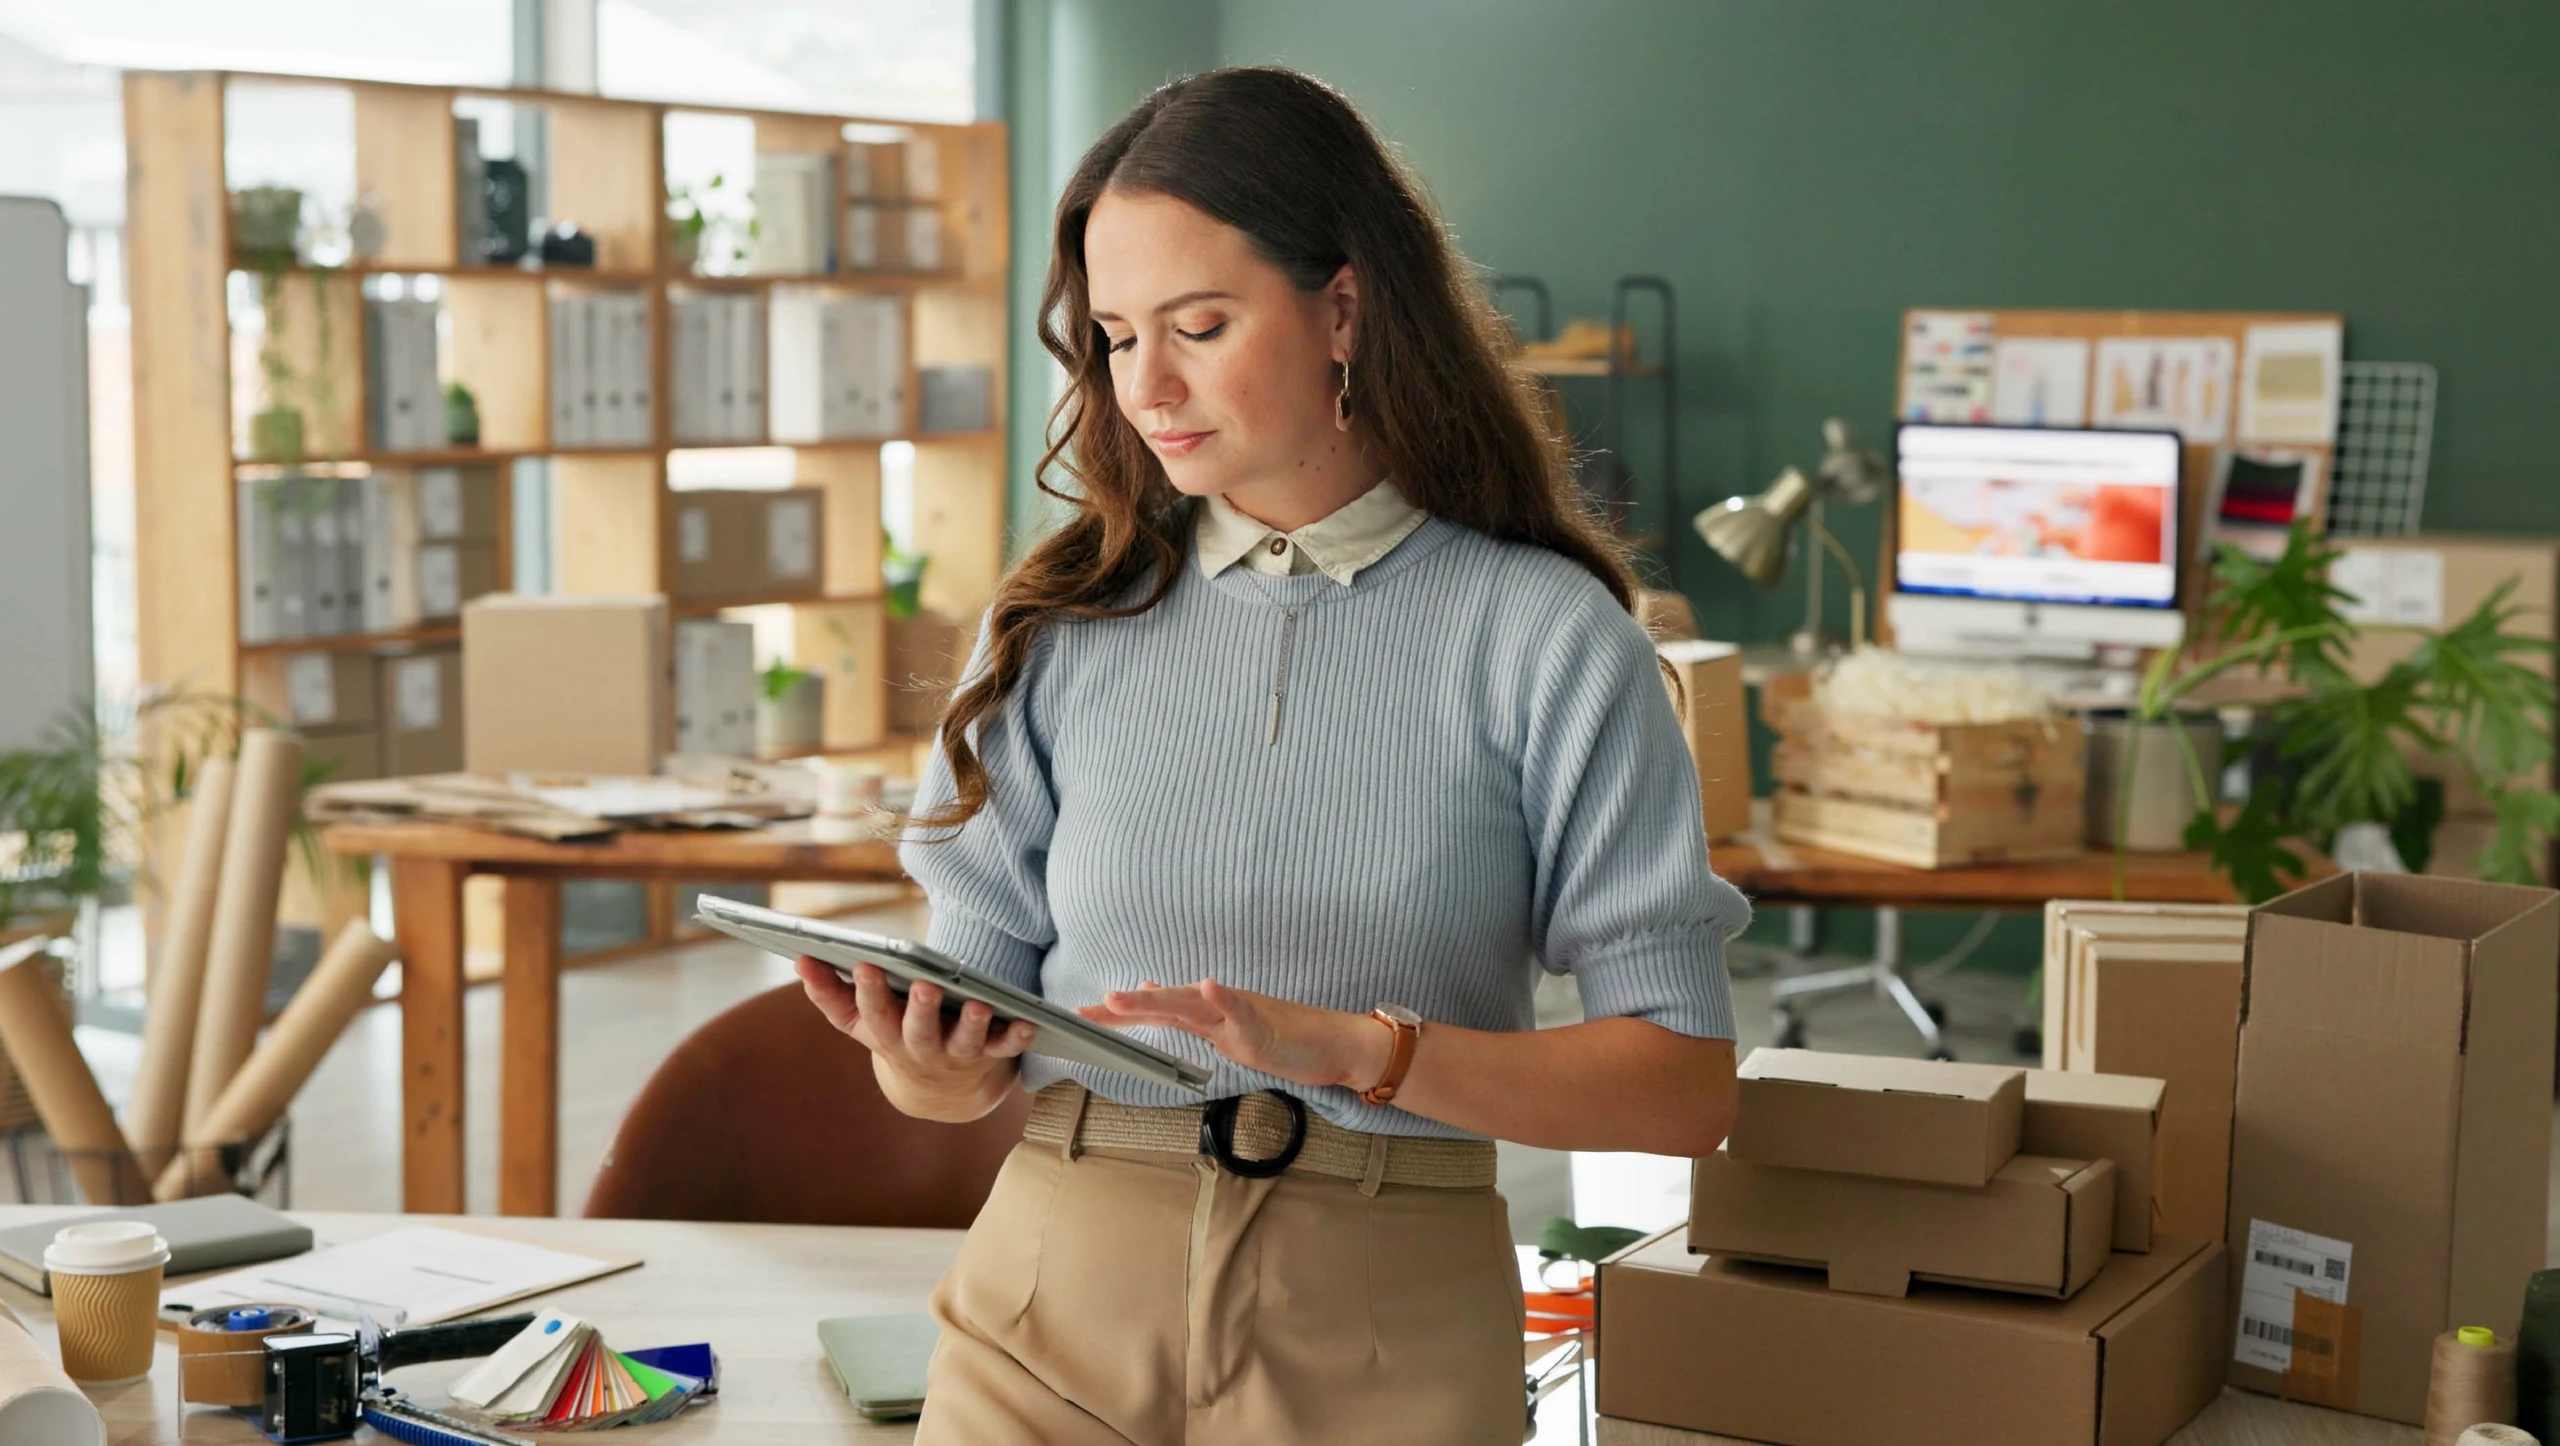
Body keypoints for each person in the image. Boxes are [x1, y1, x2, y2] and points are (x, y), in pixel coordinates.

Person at [797, 64, 1749, 1445]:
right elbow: (966, 1025)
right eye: (1118, 337)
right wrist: (927, 1069)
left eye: (1198, 323)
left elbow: (1682, 1088)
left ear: (1343, 309)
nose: (1149, 385)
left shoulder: (1547, 636)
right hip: (1051, 1297)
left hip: (1388, 1318)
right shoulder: (1055, 621)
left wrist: (1355, 1047)